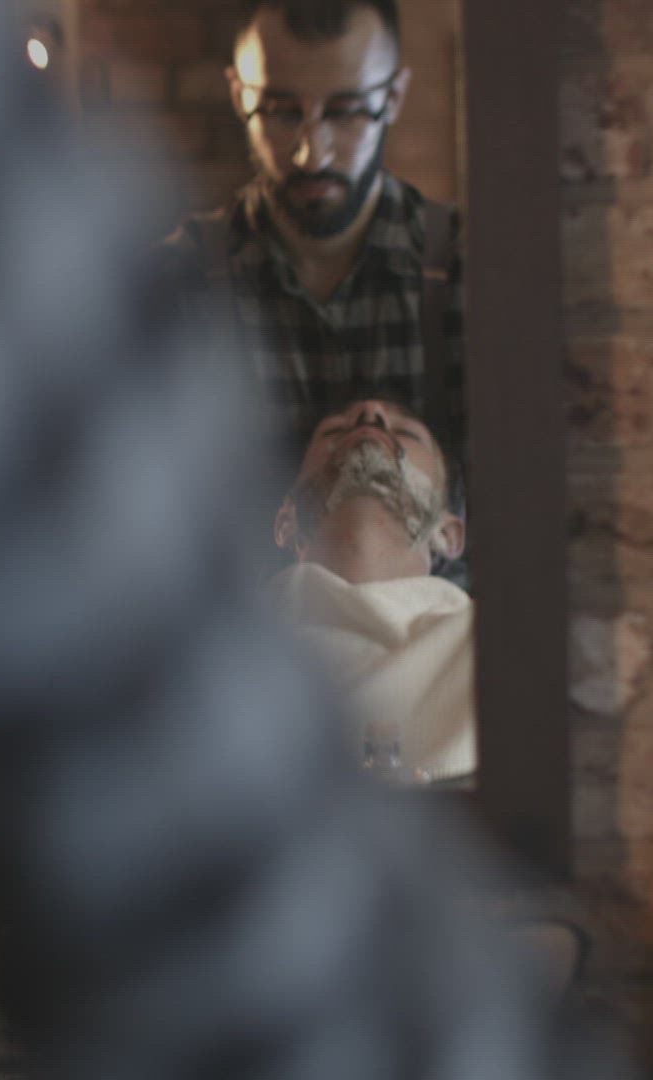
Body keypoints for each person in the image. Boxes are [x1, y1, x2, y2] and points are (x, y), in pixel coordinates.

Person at [163, 0, 464, 465]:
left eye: (346, 112)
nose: (312, 155)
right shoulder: (181, 281)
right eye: (281, 111)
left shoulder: (464, 265)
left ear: (393, 97)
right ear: (239, 95)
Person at [271, 398, 473, 783]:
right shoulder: (203, 653)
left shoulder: (507, 654)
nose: (371, 415)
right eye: (334, 431)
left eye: (406, 433)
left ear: (448, 534)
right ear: (286, 522)